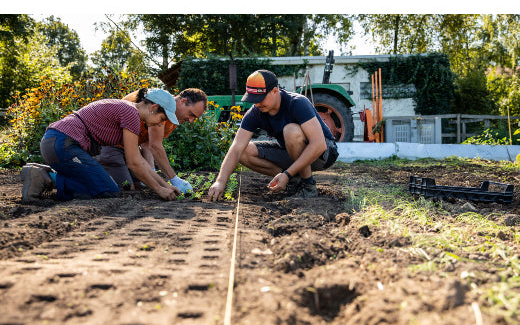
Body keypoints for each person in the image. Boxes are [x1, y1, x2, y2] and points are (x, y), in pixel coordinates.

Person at [22, 89, 182, 202]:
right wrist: (159, 190)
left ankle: (43, 174)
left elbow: (139, 161)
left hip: (58, 143)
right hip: (63, 143)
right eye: (163, 118)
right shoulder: (131, 113)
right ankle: (46, 177)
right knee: (107, 190)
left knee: (104, 185)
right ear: (153, 108)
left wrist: (164, 185)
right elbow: (134, 164)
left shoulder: (130, 112)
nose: (161, 123)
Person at [207, 69, 339, 201]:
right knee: (244, 151)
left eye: (260, 98)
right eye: (253, 99)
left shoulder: (297, 102)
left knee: (291, 131)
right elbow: (236, 148)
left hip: (323, 154)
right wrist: (220, 181)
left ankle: (308, 186)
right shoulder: (256, 112)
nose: (257, 104)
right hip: (293, 152)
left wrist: (287, 173)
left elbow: (319, 144)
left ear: (275, 91)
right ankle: (294, 183)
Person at [96, 87, 207, 193]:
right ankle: (95, 166)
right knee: (127, 188)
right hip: (110, 144)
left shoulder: (175, 117)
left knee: (140, 185)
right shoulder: (162, 106)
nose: (191, 120)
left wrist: (152, 172)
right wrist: (174, 180)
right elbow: (155, 146)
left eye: (195, 118)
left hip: (130, 149)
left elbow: (147, 143)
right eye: (191, 114)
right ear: (183, 101)